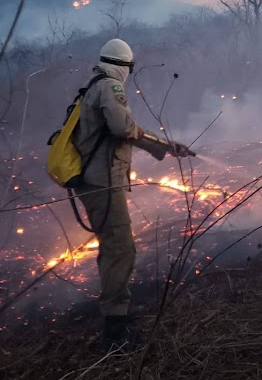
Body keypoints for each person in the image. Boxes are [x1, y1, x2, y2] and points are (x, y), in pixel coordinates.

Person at [72, 38, 190, 350]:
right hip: (102, 183)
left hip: (96, 182)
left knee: (113, 247)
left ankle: (116, 318)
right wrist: (159, 142)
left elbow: (125, 130)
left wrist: (164, 147)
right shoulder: (111, 87)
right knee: (120, 249)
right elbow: (124, 127)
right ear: (126, 67)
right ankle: (116, 331)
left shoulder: (94, 85)